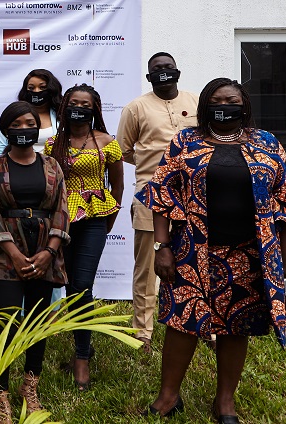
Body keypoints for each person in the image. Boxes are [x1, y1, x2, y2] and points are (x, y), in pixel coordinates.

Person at [136, 78, 286, 423]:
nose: (224, 106)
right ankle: (168, 397)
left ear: (244, 106)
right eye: (216, 101)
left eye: (231, 101)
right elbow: (162, 194)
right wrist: (162, 246)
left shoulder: (267, 143)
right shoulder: (186, 141)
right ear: (204, 106)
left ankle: (224, 402)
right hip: (191, 251)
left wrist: (285, 256)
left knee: (236, 325)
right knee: (182, 323)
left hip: (248, 255)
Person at [0, 101, 70, 424]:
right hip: (7, 254)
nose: (23, 129)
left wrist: (49, 252)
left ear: (38, 128)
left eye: (30, 123)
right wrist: (15, 255)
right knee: (5, 322)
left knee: (36, 322)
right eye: (16, 124)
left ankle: (30, 386)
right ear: (6, 130)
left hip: (45, 249)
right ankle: (0, 393)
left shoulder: (52, 165)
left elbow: (61, 209)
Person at [116, 52, 198, 352]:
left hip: (193, 196)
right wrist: (153, 164)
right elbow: (123, 150)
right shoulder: (136, 108)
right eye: (157, 69)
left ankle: (202, 326)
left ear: (177, 71)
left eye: (168, 67)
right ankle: (143, 332)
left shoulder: (195, 101)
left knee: (196, 263)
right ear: (149, 76)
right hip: (150, 195)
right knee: (147, 269)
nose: (163, 72)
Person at [44, 84, 123, 391]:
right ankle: (84, 346)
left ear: (95, 109)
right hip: (61, 220)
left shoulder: (107, 142)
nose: (79, 108)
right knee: (67, 284)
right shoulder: (53, 143)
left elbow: (117, 186)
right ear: (65, 107)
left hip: (93, 219)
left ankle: (81, 357)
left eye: (85, 104)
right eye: (74, 103)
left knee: (82, 286)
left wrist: (108, 221)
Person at [0, 69, 62, 156]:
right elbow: (1, 149)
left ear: (52, 89)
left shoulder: (61, 115)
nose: (36, 91)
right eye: (31, 88)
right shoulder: (15, 113)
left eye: (42, 87)